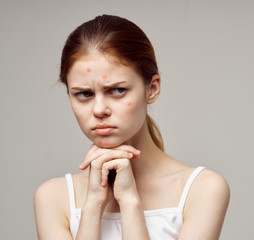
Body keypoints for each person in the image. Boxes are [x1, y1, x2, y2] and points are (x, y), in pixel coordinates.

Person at [34, 14, 230, 240]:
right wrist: (92, 207)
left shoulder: (202, 189)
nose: (99, 110)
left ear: (152, 88)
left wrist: (130, 202)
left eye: (117, 90)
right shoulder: (52, 197)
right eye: (84, 94)